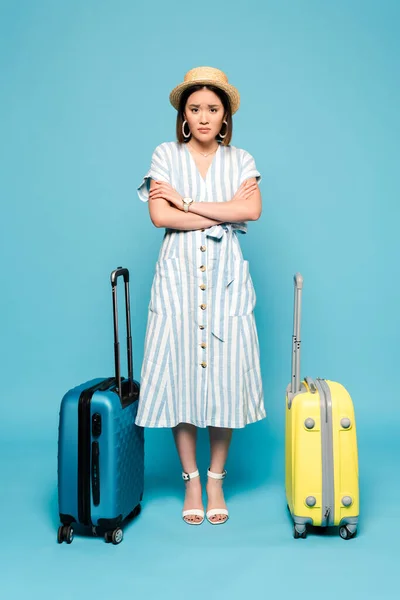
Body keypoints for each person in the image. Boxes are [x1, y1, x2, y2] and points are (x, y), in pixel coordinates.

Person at [135, 66, 266, 526]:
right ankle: (191, 477)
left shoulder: (241, 159)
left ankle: (216, 477)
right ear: (184, 116)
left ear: (225, 115)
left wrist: (186, 204)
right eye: (195, 109)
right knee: (180, 378)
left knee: (225, 380)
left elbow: (250, 209)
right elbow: (158, 217)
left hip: (227, 281)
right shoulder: (164, 156)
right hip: (178, 281)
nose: (204, 116)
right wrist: (218, 213)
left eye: (213, 108)